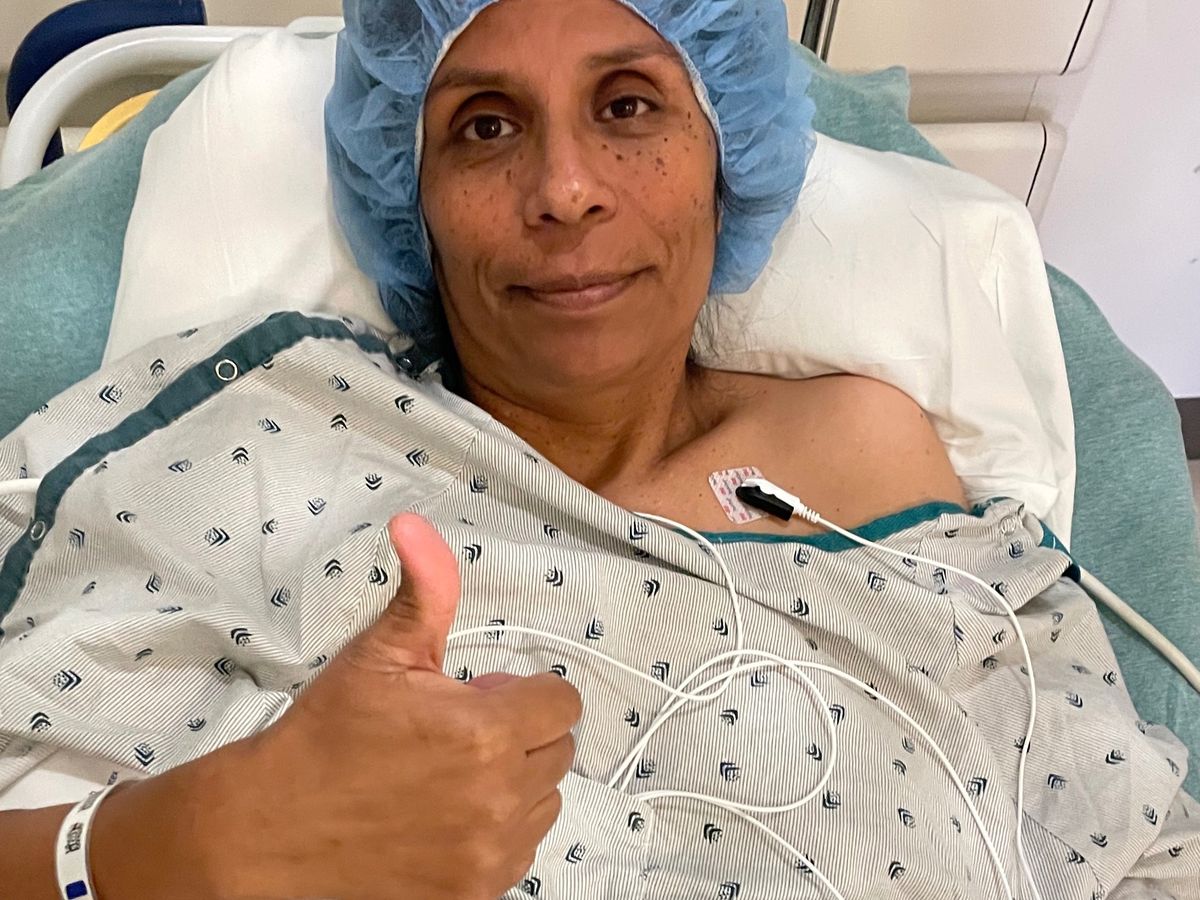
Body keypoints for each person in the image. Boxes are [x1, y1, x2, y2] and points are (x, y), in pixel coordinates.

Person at [3, 1, 1195, 898]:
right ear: (409, 196)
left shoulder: (863, 443)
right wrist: (178, 845)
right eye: (484, 126)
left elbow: (1095, 807)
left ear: (726, 156)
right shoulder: (276, 432)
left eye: (627, 106)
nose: (565, 189)